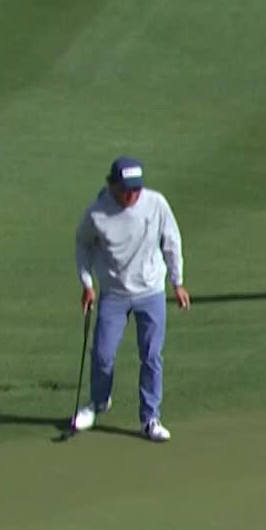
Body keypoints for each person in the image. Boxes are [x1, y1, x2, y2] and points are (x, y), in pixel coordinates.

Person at [72, 156, 189, 441]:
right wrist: (87, 284)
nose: (131, 195)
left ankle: (150, 418)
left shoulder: (156, 203)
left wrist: (178, 282)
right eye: (125, 189)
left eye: (136, 189)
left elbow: (171, 240)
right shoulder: (97, 213)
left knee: (150, 356)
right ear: (112, 184)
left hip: (151, 292)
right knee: (102, 355)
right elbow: (82, 245)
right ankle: (99, 402)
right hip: (114, 294)